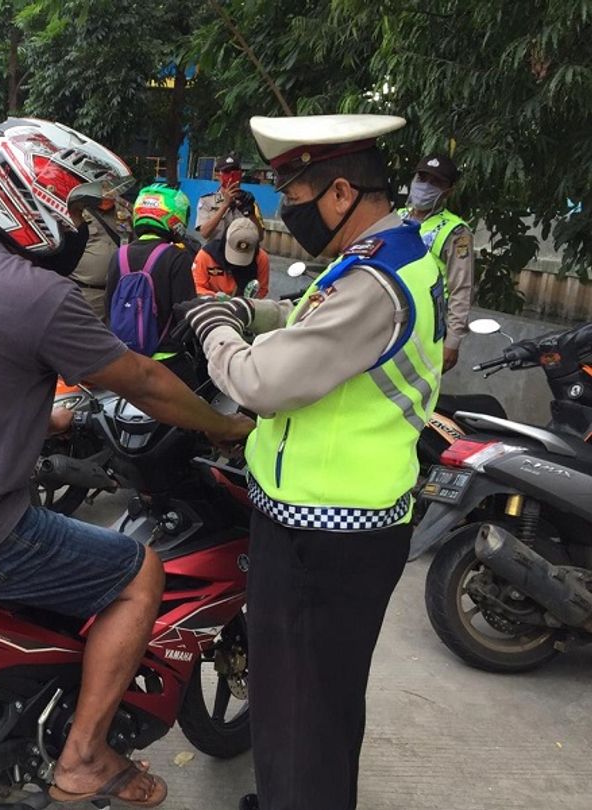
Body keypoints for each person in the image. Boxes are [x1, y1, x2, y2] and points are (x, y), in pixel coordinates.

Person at [0, 118, 253, 808]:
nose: (85, 227)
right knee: (138, 572)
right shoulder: (37, 294)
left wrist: (51, 416)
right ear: (33, 201)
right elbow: (144, 382)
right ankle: (85, 758)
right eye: (78, 209)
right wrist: (225, 426)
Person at [180, 114, 444, 810]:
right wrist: (250, 310)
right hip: (342, 521)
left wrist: (214, 332)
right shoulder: (393, 254)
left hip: (324, 536)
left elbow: (264, 384)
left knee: (303, 709)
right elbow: (313, 317)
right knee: (314, 706)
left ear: (337, 194)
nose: (282, 208)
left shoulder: (374, 280)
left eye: (289, 192)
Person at [400, 153, 473, 372]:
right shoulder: (396, 218)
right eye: (422, 178)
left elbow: (461, 289)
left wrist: (453, 341)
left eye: (436, 182)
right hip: (393, 320)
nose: (425, 186)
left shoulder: (455, 231)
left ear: (447, 191)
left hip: (428, 327)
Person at [105, 184, 196, 351]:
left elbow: (109, 307)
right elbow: (185, 310)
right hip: (165, 355)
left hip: (125, 355)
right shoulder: (177, 256)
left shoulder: (119, 255)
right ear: (175, 216)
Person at [71, 196, 132, 319]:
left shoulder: (126, 210)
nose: (107, 194)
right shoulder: (74, 211)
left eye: (111, 190)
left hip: (121, 293)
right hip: (87, 293)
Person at [191, 216, 271, 298]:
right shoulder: (206, 256)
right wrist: (214, 297)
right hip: (210, 304)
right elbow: (196, 286)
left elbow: (262, 289)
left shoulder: (261, 258)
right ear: (226, 240)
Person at [196, 153, 263, 241]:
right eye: (226, 172)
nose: (231, 175)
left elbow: (260, 237)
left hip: (240, 252)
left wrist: (251, 214)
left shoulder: (249, 201)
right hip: (214, 252)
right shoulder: (207, 201)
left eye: (235, 171)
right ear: (218, 175)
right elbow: (204, 233)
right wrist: (224, 205)